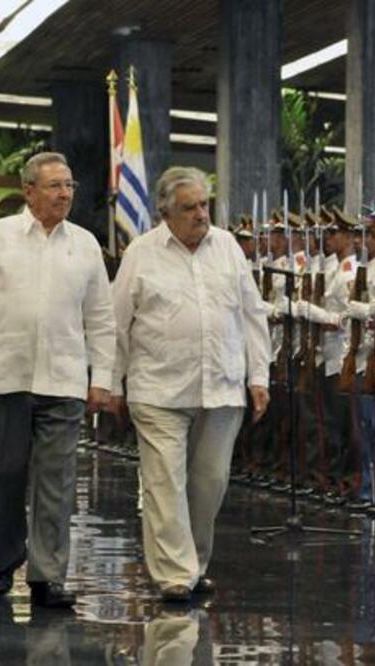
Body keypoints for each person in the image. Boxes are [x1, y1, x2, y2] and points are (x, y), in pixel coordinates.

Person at [0, 151, 116, 608]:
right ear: (28, 191)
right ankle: (4, 561)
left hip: (63, 382)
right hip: (3, 380)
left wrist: (101, 377)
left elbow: (101, 318)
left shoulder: (85, 244)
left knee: (57, 481)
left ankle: (47, 576)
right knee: (6, 474)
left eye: (69, 185)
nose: (64, 193)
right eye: (54, 185)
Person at [109, 166, 270, 603]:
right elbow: (116, 324)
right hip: (158, 390)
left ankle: (194, 565)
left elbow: (252, 314)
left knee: (210, 481)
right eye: (190, 207)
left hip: (221, 387)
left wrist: (259, 376)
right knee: (164, 483)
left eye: (204, 205)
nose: (201, 214)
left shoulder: (228, 248)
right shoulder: (141, 254)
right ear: (165, 212)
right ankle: (174, 574)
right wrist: (109, 383)